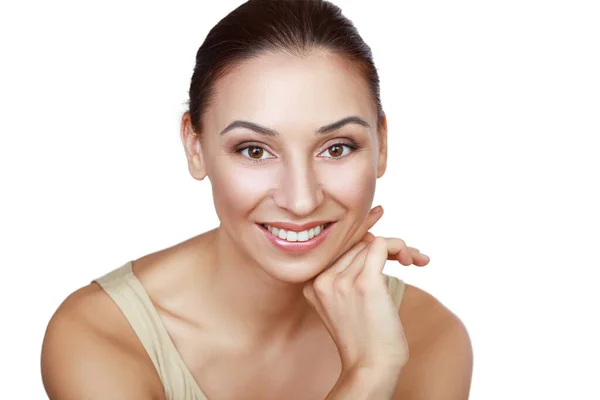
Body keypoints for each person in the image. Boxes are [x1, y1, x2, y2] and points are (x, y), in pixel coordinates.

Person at [41, 0, 473, 399]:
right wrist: (369, 372)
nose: (301, 201)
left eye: (337, 148)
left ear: (381, 142)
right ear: (196, 147)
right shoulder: (99, 334)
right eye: (254, 150)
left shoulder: (430, 336)